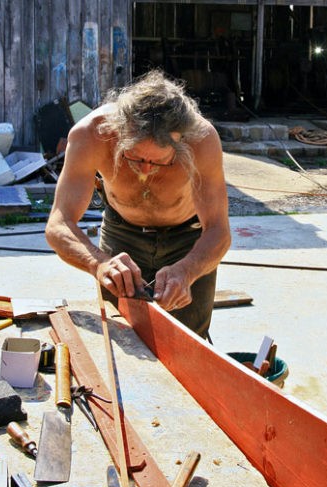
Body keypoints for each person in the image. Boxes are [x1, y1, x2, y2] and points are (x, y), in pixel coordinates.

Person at [45, 70, 231, 339]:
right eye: (134, 157)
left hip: (187, 239)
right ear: (119, 131)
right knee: (122, 339)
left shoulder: (202, 139)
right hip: (122, 234)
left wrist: (188, 270)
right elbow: (58, 224)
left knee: (188, 340)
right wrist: (100, 264)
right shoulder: (91, 133)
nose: (145, 169)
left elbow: (218, 231)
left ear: (181, 141)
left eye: (157, 161)